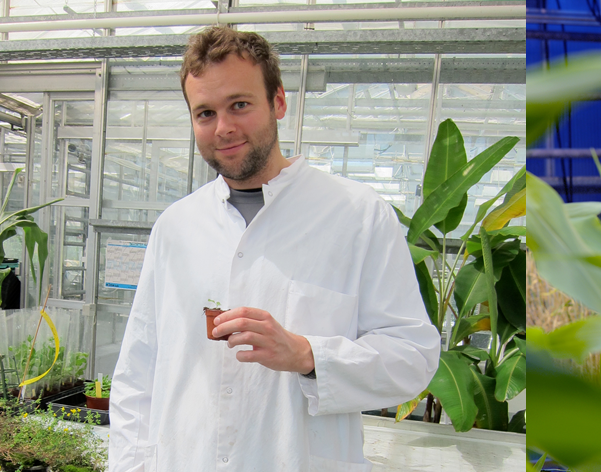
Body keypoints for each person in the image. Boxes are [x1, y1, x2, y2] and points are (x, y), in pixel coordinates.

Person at [109, 25, 441, 472]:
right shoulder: (176, 227)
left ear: (278, 102)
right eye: (205, 113)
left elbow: (414, 358)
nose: (223, 127)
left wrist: (307, 355)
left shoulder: (357, 216)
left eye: (239, 105)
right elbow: (138, 372)